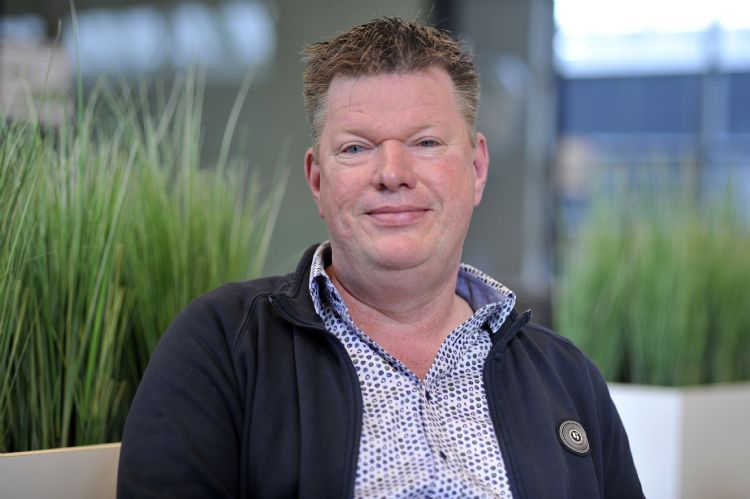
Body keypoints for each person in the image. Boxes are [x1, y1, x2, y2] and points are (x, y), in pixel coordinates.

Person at [117, 18, 643, 499]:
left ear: (477, 168)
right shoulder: (223, 347)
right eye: (356, 148)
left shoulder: (566, 376)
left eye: (427, 142)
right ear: (318, 181)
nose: (392, 173)